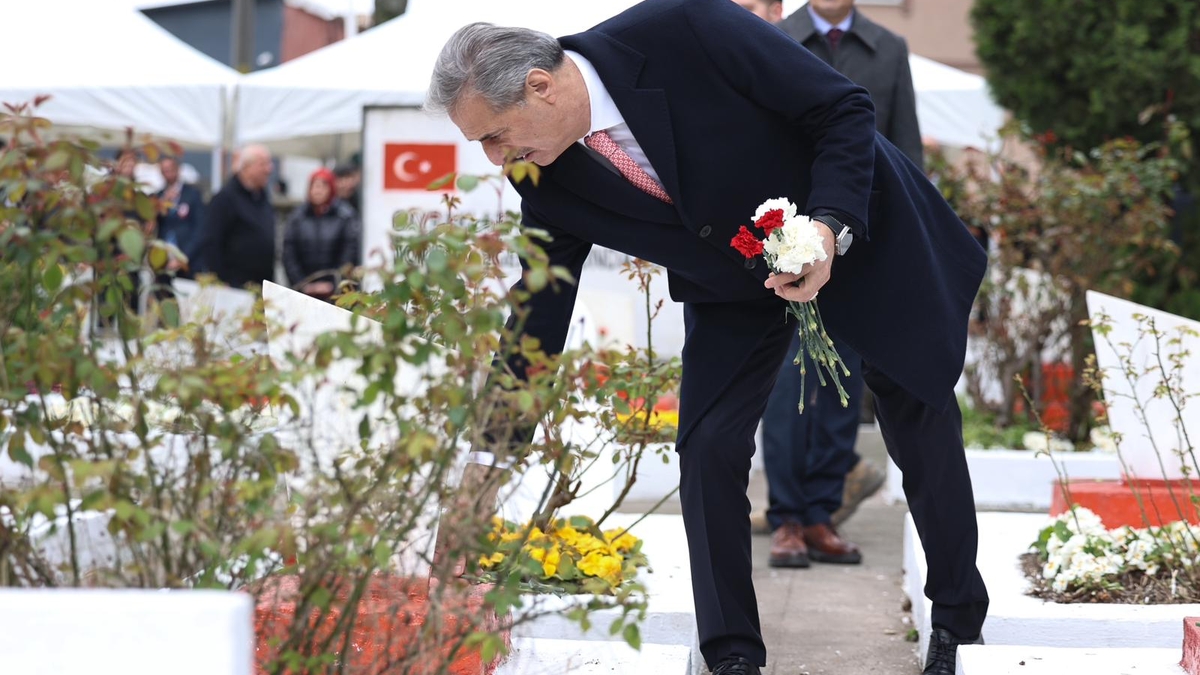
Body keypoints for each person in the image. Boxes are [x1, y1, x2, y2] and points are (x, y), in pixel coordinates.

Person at [426, 2, 989, 673]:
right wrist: (486, 462)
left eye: (494, 136)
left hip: (851, 223)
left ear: (539, 87)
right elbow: (535, 319)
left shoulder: (685, 26)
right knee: (707, 445)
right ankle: (732, 655)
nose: (496, 160)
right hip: (732, 282)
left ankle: (956, 620)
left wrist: (827, 228)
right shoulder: (543, 179)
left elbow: (841, 108)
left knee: (916, 409)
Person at [750, 0, 923, 569]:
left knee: (842, 382)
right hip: (783, 238)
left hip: (856, 246)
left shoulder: (889, 49)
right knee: (786, 387)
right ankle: (787, 520)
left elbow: (905, 151)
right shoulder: (775, 35)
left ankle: (823, 513)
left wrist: (899, 245)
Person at [194, 144, 277, 289]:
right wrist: (220, 279)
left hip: (261, 285)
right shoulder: (225, 199)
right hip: (234, 286)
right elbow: (211, 241)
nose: (269, 169)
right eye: (263, 164)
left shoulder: (262, 197)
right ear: (246, 167)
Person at [282, 167, 361, 300]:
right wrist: (302, 284)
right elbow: (289, 253)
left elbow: (349, 253)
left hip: (336, 293)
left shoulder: (344, 216)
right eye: (314, 186)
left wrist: (334, 283)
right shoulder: (297, 218)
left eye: (323, 186)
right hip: (304, 292)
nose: (318, 191)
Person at [155, 155, 207, 277]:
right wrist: (162, 205)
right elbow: (153, 225)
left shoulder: (192, 194)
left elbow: (199, 229)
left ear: (178, 169)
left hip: (189, 260)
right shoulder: (158, 197)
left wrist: (184, 257)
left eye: (170, 169)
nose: (168, 173)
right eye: (164, 170)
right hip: (164, 260)